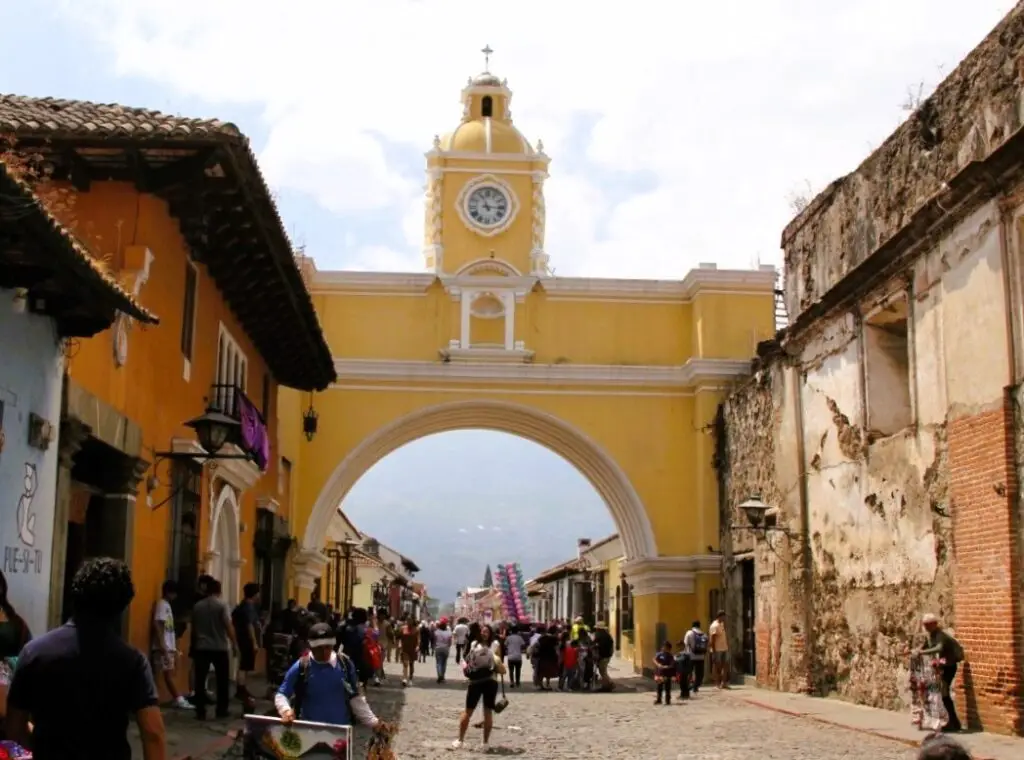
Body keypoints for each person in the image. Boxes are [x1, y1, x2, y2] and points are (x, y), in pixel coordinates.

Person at [7, 557, 165, 760]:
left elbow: (14, 728)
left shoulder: (34, 653)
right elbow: (153, 734)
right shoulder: (133, 662)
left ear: (75, 596)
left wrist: (40, 742)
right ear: (122, 607)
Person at [275, 622, 382, 729]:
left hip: (340, 734)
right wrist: (286, 710)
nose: (324, 652)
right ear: (311, 646)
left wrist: (374, 723)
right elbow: (281, 694)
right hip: (309, 732)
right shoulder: (302, 666)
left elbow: (355, 698)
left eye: (328, 647)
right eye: (319, 648)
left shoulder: (345, 665)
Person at [190, 579, 239, 720]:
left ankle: (200, 710)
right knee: (222, 679)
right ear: (219, 590)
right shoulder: (222, 605)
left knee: (200, 679)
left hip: (202, 646)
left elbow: (194, 628)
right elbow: (228, 626)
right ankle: (221, 709)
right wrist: (234, 644)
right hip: (219, 647)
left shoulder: (197, 606)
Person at [453, 625, 506, 750]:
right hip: (490, 680)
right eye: (483, 631)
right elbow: (499, 663)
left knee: (469, 710)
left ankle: (460, 740)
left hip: (476, 681)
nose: (484, 633)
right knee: (485, 712)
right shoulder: (496, 644)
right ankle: (484, 743)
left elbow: (468, 661)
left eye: (486, 631)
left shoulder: (474, 644)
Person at [915, 613, 964, 733]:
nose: (926, 627)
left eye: (928, 625)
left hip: (949, 666)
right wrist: (915, 651)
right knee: (943, 695)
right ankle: (953, 723)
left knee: (944, 694)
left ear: (934, 624)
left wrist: (922, 652)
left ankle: (952, 723)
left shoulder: (941, 635)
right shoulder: (931, 635)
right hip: (942, 666)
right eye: (924, 625)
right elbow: (924, 647)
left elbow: (939, 648)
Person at [150, 580, 191, 709]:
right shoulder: (162, 605)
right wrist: (163, 646)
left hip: (167, 646)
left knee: (167, 674)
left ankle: (175, 698)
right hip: (164, 647)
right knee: (166, 674)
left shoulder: (166, 605)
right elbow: (158, 624)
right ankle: (177, 698)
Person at [231, 582, 261, 710]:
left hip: (240, 638)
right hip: (246, 640)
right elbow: (249, 625)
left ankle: (241, 687)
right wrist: (254, 642)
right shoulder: (249, 607)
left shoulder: (241, 606)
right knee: (245, 666)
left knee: (244, 665)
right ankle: (241, 688)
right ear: (255, 594)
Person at [683, 620, 708, 693]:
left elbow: (686, 643)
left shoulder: (689, 633)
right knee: (699, 674)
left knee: (689, 672)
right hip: (701, 657)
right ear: (699, 626)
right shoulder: (704, 634)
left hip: (691, 656)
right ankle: (695, 686)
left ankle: (687, 686)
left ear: (692, 626)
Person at [708, 610, 730, 688]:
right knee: (717, 667)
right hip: (717, 649)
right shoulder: (714, 626)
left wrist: (727, 646)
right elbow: (712, 639)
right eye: (724, 616)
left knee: (726, 665)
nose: (725, 618)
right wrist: (713, 651)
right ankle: (717, 683)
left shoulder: (722, 624)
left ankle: (723, 683)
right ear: (720, 616)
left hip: (724, 648)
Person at [592, 622, 615, 691]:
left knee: (603, 671)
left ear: (598, 628)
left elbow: (594, 643)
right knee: (603, 671)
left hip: (603, 655)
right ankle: (606, 685)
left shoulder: (599, 635)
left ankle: (610, 683)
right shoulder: (608, 635)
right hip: (607, 655)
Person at [653, 641, 675, 705]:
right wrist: (658, 664)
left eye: (665, 647)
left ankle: (668, 700)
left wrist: (667, 667)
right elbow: (654, 659)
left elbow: (672, 664)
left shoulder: (670, 656)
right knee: (659, 687)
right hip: (660, 674)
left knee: (667, 687)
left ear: (668, 648)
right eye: (663, 646)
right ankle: (659, 699)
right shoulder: (660, 654)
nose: (663, 648)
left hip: (667, 674)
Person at [399, 617, 419, 686]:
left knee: (411, 664)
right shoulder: (403, 628)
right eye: (408, 620)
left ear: (413, 621)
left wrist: (417, 646)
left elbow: (418, 639)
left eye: (410, 620)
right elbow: (399, 637)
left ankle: (410, 678)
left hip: (413, 649)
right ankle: (404, 678)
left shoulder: (416, 629)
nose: (409, 621)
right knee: (405, 663)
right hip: (405, 649)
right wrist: (399, 644)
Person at [433, 618, 453, 683]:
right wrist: (448, 646)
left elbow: (434, 641)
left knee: (438, 663)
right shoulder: (449, 632)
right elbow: (450, 642)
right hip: (445, 649)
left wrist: (435, 646)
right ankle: (443, 676)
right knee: (444, 663)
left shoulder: (436, 632)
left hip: (438, 648)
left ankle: (439, 676)